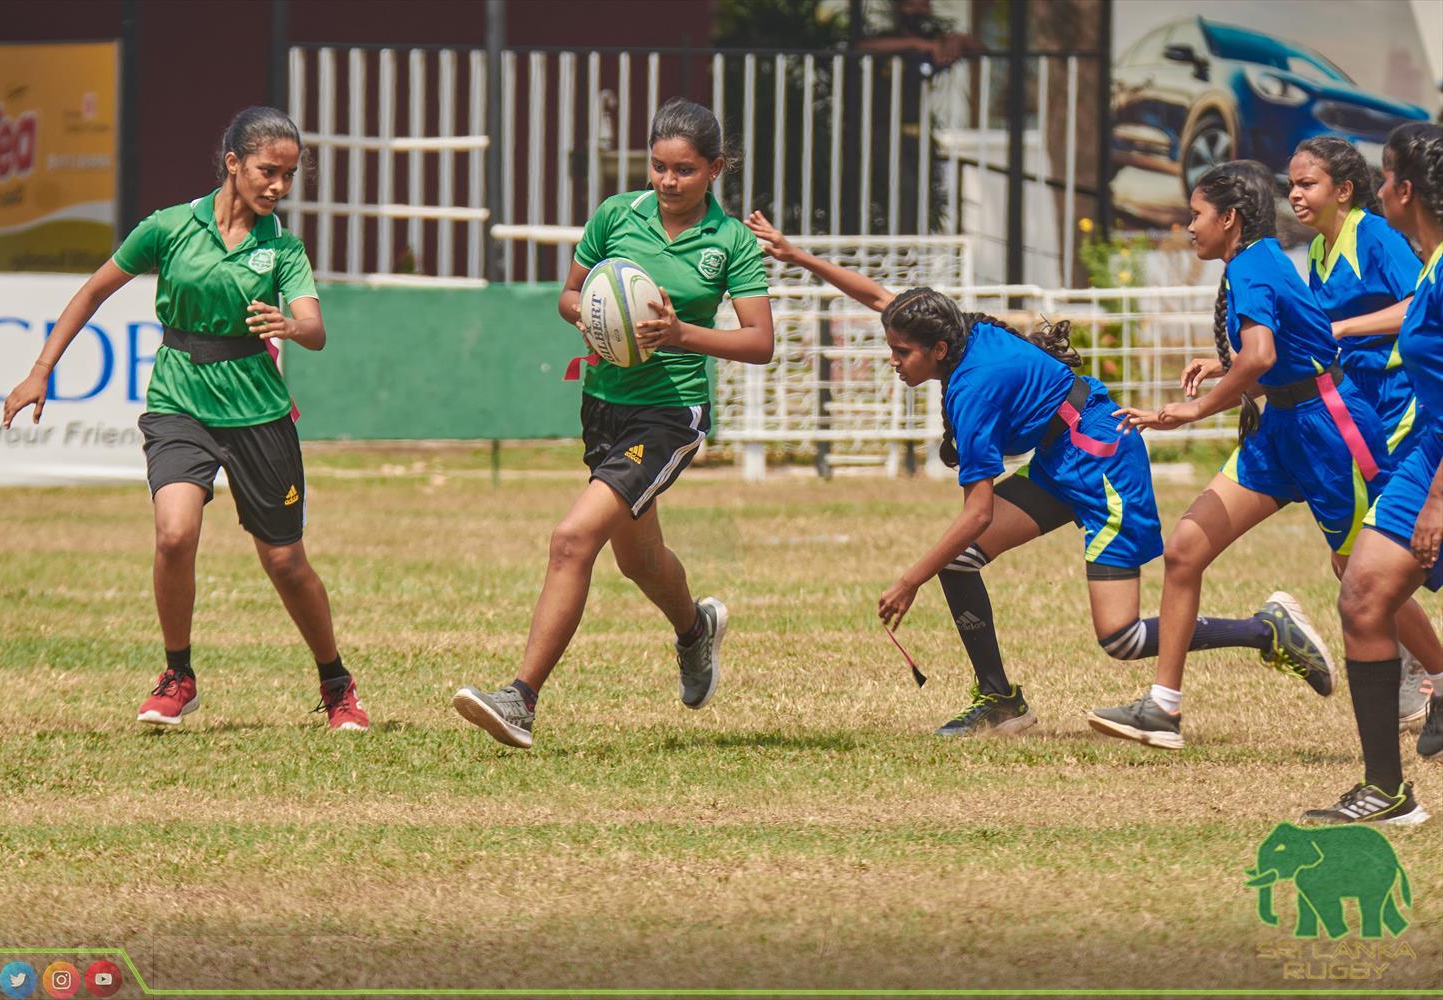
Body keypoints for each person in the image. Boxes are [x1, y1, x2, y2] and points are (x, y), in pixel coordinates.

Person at [746, 211, 1331, 741]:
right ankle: (1001, 701)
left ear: (937, 348)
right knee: (962, 559)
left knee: (1120, 638)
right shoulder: (952, 333)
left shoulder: (972, 390)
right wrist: (797, 256)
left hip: (1103, 462)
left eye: (901, 353)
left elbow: (976, 513)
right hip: (1063, 455)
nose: (893, 361)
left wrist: (908, 580)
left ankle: (1264, 630)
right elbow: (880, 296)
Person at [0, 106, 368, 732]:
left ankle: (336, 683)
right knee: (174, 534)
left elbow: (316, 327)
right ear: (232, 162)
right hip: (178, 403)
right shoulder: (168, 228)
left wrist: (292, 326)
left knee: (284, 563)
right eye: (266, 171)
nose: (277, 187)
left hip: (258, 414)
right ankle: (178, 675)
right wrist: (41, 369)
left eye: (287, 177)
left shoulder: (281, 247)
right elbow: (92, 292)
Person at [452, 99, 774, 750]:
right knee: (640, 559)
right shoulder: (614, 216)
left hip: (669, 413)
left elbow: (760, 341)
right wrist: (602, 317)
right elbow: (570, 296)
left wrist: (680, 333)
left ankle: (520, 699)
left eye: (684, 169)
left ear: (715, 169)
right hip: (604, 402)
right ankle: (695, 630)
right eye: (658, 166)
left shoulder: (731, 243)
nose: (667, 181)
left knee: (573, 540)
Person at [1094, 160, 1405, 750]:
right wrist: (1223, 366)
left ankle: (1438, 680)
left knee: (1363, 576)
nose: (1189, 228)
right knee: (1185, 548)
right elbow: (1278, 350)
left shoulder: (1254, 267)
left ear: (1229, 218)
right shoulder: (1252, 262)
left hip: (1330, 430)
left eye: (1196, 216)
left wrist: (1193, 409)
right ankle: (1163, 709)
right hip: (1282, 428)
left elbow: (1260, 354)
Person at [1304, 122, 1443, 826]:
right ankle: (1386, 792)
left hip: (1437, 464)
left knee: (1361, 592)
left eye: (1385, 177)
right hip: (1426, 450)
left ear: (1404, 189)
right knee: (1361, 595)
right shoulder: (1434, 262)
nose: (1378, 188)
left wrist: (1438, 501)